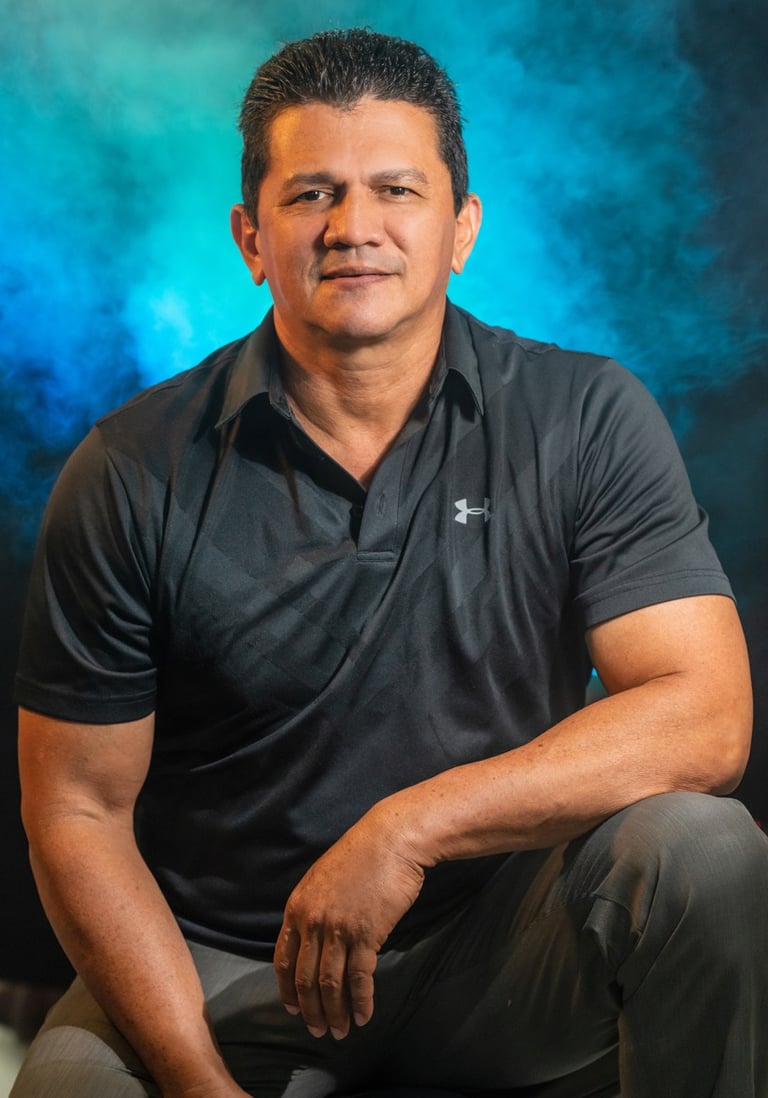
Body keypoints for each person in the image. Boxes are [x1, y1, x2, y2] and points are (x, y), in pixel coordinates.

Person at [11, 27, 768, 1098]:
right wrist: (195, 1082)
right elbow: (77, 816)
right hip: (231, 965)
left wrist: (409, 830)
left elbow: (708, 718)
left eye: (396, 190)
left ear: (462, 228)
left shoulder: (586, 416)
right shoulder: (132, 469)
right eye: (311, 194)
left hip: (507, 951)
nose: (353, 227)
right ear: (250, 236)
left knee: (705, 849)